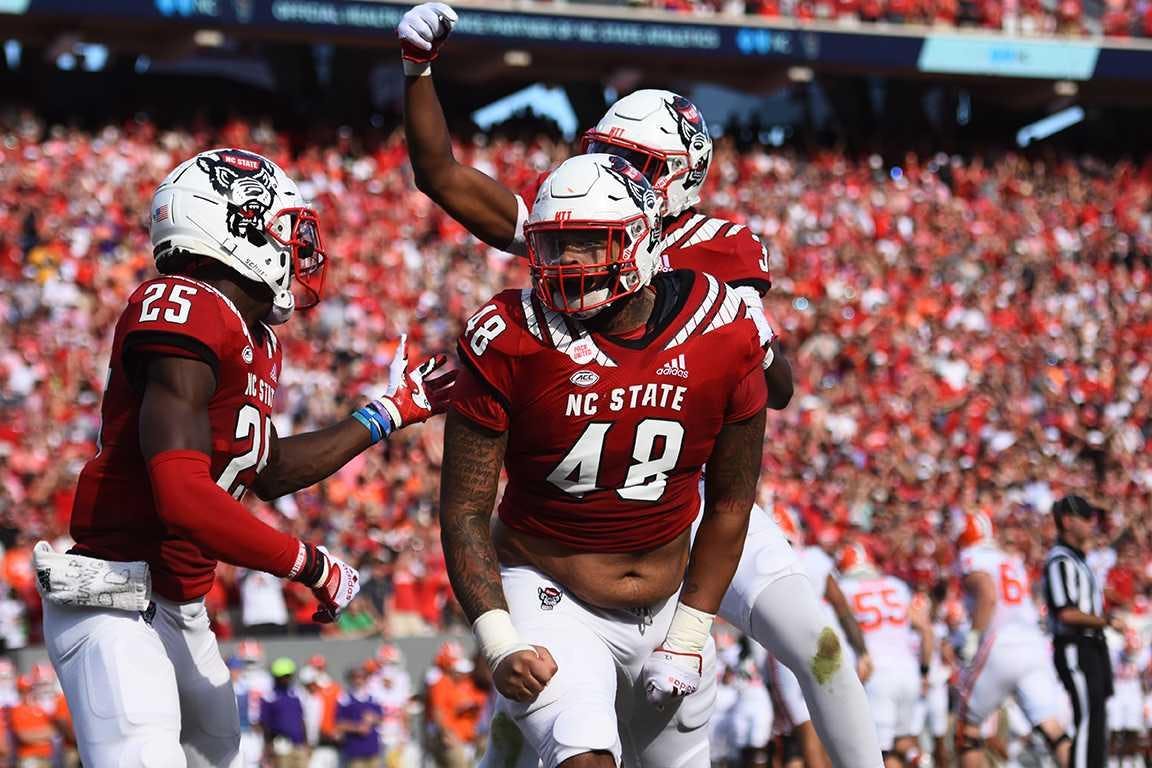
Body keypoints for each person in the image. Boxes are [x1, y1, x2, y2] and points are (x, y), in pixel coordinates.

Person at [398, 7, 883, 766]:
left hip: (683, 504)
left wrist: (751, 320)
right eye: (605, 152)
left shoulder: (719, 248)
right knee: (540, 710)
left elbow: (775, 388)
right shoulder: (584, 221)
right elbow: (444, 176)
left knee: (817, 640)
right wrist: (419, 72)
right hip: (578, 521)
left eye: (637, 161)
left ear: (680, 176)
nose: (618, 171)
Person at [36, 148, 456, 768]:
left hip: (180, 604)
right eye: (282, 228)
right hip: (111, 596)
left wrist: (386, 413)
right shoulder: (183, 309)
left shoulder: (251, 337)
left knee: (217, 753)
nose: (295, 248)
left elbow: (267, 467)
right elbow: (181, 496)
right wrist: (309, 564)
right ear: (234, 225)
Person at [440, 153, 768, 767]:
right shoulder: (510, 335)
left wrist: (692, 633)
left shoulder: (720, 326)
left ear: (643, 240)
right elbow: (463, 509)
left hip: (672, 606)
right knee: (585, 757)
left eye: (586, 245)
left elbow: (731, 499)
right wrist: (499, 639)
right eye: (553, 246)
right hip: (549, 592)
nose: (564, 265)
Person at [952, 511, 1071, 768]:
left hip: (1000, 645)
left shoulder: (971, 556)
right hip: (1033, 646)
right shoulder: (1009, 559)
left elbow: (987, 594)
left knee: (966, 731)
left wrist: (972, 640)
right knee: (1052, 729)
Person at [1044, 495, 1123, 768]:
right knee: (1088, 720)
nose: (1092, 524)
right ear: (1068, 521)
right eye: (1086, 518)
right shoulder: (1060, 561)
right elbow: (1065, 612)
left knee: (1098, 721)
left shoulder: (1079, 561)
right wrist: (1105, 621)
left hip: (1092, 648)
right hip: (1076, 646)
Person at [837, 543, 932, 768]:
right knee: (903, 741)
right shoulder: (896, 585)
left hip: (876, 675)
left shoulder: (844, 589)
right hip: (908, 671)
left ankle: (921, 760)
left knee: (878, 752)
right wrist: (924, 671)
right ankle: (922, 760)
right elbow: (926, 631)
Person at [261, 658, 309, 768]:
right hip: (281, 744)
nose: (286, 679)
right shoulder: (269, 697)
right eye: (283, 676)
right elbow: (265, 724)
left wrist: (306, 743)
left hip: (299, 744)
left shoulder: (296, 695)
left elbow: (301, 720)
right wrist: (268, 745)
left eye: (288, 676)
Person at [334, 665, 384, 768]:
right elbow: (339, 723)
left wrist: (373, 718)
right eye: (355, 677)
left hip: (372, 750)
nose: (359, 680)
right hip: (355, 751)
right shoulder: (345, 699)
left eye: (362, 677)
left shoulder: (373, 698)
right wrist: (357, 728)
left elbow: (381, 719)